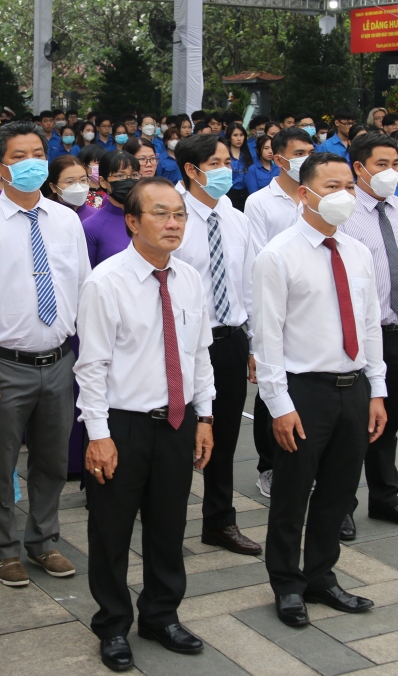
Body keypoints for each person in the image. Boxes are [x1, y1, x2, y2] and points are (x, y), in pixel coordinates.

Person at [76, 178, 216, 672]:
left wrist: (205, 415)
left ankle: (160, 614)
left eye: (179, 213)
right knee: (111, 531)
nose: (173, 222)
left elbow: (200, 353)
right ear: (132, 221)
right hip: (123, 425)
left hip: (177, 422)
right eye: (161, 213)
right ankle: (113, 625)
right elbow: (90, 366)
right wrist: (98, 435)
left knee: (168, 525)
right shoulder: (105, 282)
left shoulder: (191, 278)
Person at [251, 152, 388, 627]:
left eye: (350, 186)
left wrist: (377, 389)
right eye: (332, 187)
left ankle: (322, 575)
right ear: (305, 193)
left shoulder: (357, 251)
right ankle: (287, 583)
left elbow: (370, 324)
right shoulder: (278, 255)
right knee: (292, 494)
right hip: (303, 390)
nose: (344, 196)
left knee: (339, 490)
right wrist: (279, 406)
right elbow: (266, 338)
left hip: (353, 387)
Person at [0, 121, 89, 588]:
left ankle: (43, 540)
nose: (32, 162)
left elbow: (83, 287)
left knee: (53, 460)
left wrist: (87, 355)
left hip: (59, 360)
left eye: (38, 152)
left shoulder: (67, 219)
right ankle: (3, 547)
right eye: (19, 156)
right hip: (6, 365)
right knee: (0, 462)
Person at [173, 134, 260, 556]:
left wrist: (253, 343)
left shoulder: (235, 216)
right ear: (192, 170)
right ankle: (164, 518)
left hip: (227, 340)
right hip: (180, 343)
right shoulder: (170, 215)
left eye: (230, 161)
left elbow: (247, 284)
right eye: (217, 162)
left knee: (223, 436)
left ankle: (219, 521)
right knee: (176, 433)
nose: (227, 169)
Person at [342, 135, 398, 539]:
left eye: (395, 162)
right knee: (351, 422)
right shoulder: (342, 213)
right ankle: (340, 501)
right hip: (359, 335)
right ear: (359, 168)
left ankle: (385, 495)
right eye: (381, 164)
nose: (391, 171)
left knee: (389, 418)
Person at [242, 127, 313, 497]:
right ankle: (268, 465)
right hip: (273, 305)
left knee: (305, 385)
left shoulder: (317, 196)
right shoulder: (259, 202)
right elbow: (255, 264)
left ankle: (305, 460)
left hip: (309, 308)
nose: (306, 158)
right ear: (280, 158)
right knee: (271, 387)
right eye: (298, 152)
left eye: (310, 151)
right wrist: (255, 335)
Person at [84, 150, 140, 268]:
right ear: (103, 182)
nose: (128, 181)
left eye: (134, 175)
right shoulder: (91, 226)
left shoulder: (149, 218)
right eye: (120, 175)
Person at [44, 154, 96, 221]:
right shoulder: (45, 217)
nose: (78, 186)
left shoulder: (96, 217)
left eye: (83, 180)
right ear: (54, 187)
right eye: (70, 182)